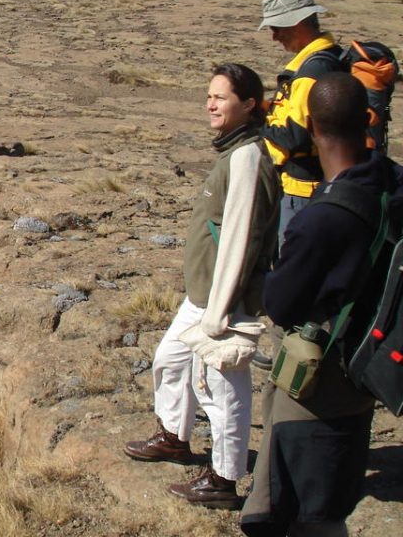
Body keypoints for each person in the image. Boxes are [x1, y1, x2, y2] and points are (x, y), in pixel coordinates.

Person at [241, 73, 403, 537]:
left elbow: (283, 304)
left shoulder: (322, 220)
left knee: (306, 512)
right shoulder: (394, 186)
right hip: (369, 364)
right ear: (368, 119)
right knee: (334, 490)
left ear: (310, 125)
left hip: (319, 388)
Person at [124, 64, 281, 509]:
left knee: (223, 391)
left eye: (222, 97)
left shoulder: (248, 156)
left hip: (223, 299)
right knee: (170, 361)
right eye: (209, 96)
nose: (211, 104)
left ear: (249, 104)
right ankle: (174, 437)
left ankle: (224, 480)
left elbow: (242, 235)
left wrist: (222, 308)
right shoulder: (234, 151)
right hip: (203, 294)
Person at [259, 0, 341, 241]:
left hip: (303, 190)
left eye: (277, 28)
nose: (274, 37)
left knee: (293, 261)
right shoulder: (332, 57)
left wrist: (259, 122)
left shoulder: (309, 74)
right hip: (322, 183)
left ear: (297, 24)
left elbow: (296, 137)